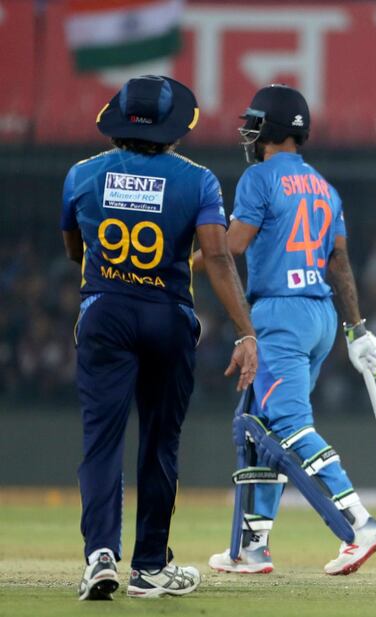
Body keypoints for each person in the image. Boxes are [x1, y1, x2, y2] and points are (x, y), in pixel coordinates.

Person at [62, 75, 258, 600]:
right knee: (159, 443)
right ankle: (150, 566)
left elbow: (73, 249)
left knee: (100, 440)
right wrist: (245, 331)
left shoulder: (81, 175)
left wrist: (110, 276)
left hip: (104, 311)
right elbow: (217, 257)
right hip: (168, 315)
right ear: (175, 129)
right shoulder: (198, 180)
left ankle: (100, 555)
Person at [199, 84, 376, 576]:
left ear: (271, 128)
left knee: (286, 426)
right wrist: (355, 329)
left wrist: (183, 260)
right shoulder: (325, 187)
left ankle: (359, 522)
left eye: (254, 122)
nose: (247, 131)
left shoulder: (258, 177)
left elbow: (232, 246)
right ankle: (252, 547)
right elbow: (340, 262)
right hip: (321, 316)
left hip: (278, 315)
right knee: (263, 431)